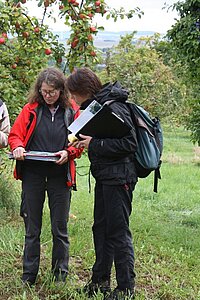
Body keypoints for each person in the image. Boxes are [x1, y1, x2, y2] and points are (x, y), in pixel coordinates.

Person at [67, 67, 138, 300]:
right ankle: (99, 282)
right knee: (101, 229)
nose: (72, 100)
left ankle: (126, 288)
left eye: (74, 94)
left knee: (118, 232)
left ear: (84, 91)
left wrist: (94, 144)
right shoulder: (98, 106)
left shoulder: (115, 106)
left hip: (120, 179)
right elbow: (105, 138)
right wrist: (86, 142)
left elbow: (129, 144)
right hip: (106, 177)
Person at [8, 67, 83, 286]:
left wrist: (68, 153)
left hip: (60, 175)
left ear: (62, 90)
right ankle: (28, 275)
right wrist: (19, 147)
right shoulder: (30, 109)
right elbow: (15, 135)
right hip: (33, 174)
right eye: (43, 91)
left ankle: (60, 274)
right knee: (32, 227)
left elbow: (79, 141)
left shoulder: (71, 111)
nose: (47, 95)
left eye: (51, 91)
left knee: (60, 227)